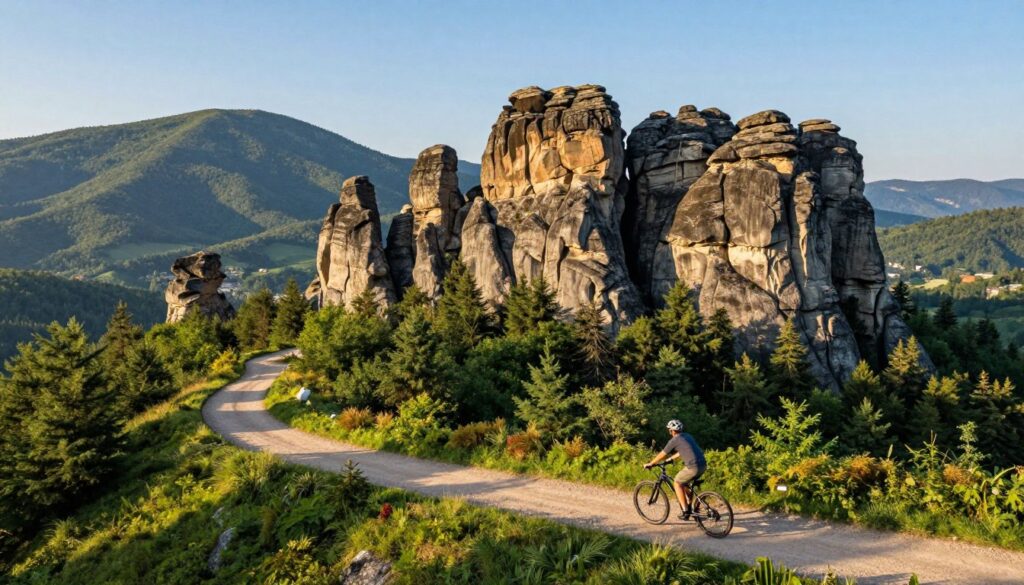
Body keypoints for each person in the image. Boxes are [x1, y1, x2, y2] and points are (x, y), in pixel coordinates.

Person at [644, 419, 706, 520]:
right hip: (703, 465)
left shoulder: (674, 440)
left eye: (669, 430)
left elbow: (662, 454)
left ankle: (685, 512)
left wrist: (651, 463)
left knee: (677, 482)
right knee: (685, 484)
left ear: (671, 431)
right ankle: (691, 507)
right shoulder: (687, 436)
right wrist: (671, 459)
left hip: (693, 467)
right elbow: (683, 450)